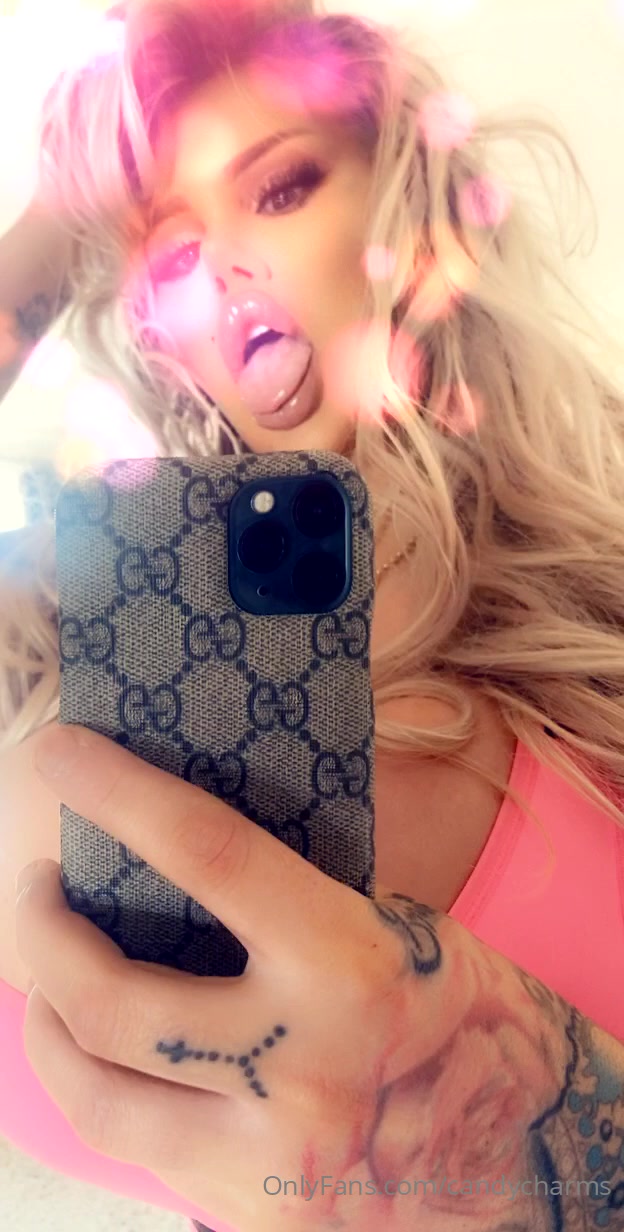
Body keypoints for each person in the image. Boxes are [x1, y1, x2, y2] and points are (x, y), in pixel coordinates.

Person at [1, 0, 624, 1228]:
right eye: (172, 255)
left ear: (406, 216)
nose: (226, 266)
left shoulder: (602, 612)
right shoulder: (77, 650)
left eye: (280, 188)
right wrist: (54, 229)